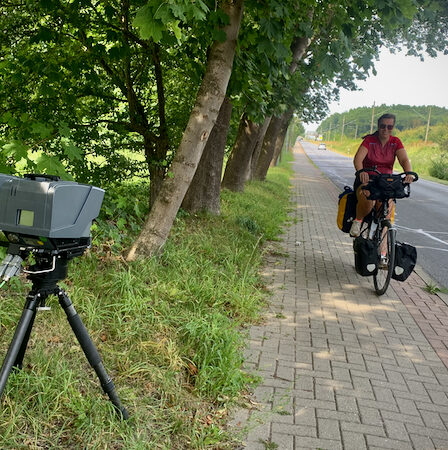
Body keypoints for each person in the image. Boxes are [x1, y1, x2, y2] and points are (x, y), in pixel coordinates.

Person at [349, 113, 415, 238]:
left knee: (387, 214)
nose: (386, 129)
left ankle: (384, 254)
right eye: (383, 126)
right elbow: (358, 159)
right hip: (367, 180)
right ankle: (358, 221)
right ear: (378, 126)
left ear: (393, 128)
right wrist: (361, 172)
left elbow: (404, 160)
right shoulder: (369, 141)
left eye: (389, 127)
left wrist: (408, 172)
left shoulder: (396, 142)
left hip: (386, 183)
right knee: (369, 201)